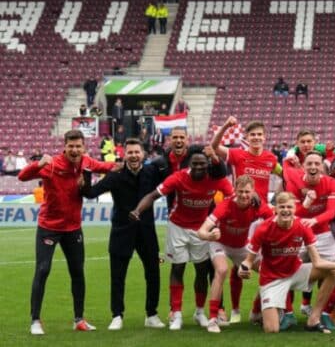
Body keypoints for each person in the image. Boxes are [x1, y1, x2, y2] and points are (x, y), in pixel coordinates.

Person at [18, 129, 118, 335]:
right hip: (49, 227)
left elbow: (108, 167)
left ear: (84, 148)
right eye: (71, 146)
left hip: (73, 229)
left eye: (78, 146)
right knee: (43, 270)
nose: (74, 150)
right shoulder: (52, 164)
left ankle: (79, 319)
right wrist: (38, 164)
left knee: (78, 272)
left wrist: (122, 164)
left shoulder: (87, 162)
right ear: (64, 146)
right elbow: (22, 176)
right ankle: (35, 320)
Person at [129, 147, 234, 331]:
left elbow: (234, 196)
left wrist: (253, 197)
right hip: (177, 227)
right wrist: (138, 210)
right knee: (178, 267)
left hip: (201, 228)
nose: (199, 167)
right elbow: (153, 195)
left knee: (201, 270)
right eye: (195, 163)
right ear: (189, 165)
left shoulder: (216, 179)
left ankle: (199, 312)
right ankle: (176, 314)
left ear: (208, 164)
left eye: (203, 163)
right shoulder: (178, 177)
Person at [80, 138, 165, 330]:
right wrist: (85, 174)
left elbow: (171, 178)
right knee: (117, 276)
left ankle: (152, 314)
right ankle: (117, 315)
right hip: (121, 232)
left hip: (147, 232)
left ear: (143, 154)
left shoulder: (152, 172)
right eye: (130, 152)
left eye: (137, 152)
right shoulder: (115, 175)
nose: (134, 155)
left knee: (153, 273)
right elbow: (91, 193)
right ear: (124, 154)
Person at [238, 192, 335, 334]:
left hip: (296, 271)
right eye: (282, 207)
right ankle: (265, 310)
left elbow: (317, 262)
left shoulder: (302, 226)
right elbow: (248, 261)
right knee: (272, 330)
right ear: (275, 209)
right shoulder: (264, 228)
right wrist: (243, 269)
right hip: (271, 279)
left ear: (294, 209)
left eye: (289, 207)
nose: (286, 210)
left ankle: (314, 320)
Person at [196, 175, 273, 333]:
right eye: (240, 191)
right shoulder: (225, 206)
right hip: (220, 243)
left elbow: (274, 221)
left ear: (253, 192)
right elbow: (201, 231)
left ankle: (256, 312)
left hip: (241, 246)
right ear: (235, 190)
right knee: (222, 270)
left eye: (247, 192)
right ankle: (212, 319)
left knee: (269, 272)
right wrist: (209, 235)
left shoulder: (258, 205)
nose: (244, 195)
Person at [284, 151, 335, 329]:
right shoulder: (294, 184)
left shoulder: (332, 183)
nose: (313, 167)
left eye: (317, 164)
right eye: (309, 163)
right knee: (285, 270)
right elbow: (291, 214)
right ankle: (287, 313)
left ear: (323, 167)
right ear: (304, 166)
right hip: (298, 234)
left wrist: (314, 220)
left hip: (322, 234)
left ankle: (320, 314)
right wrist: (307, 203)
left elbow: (331, 212)